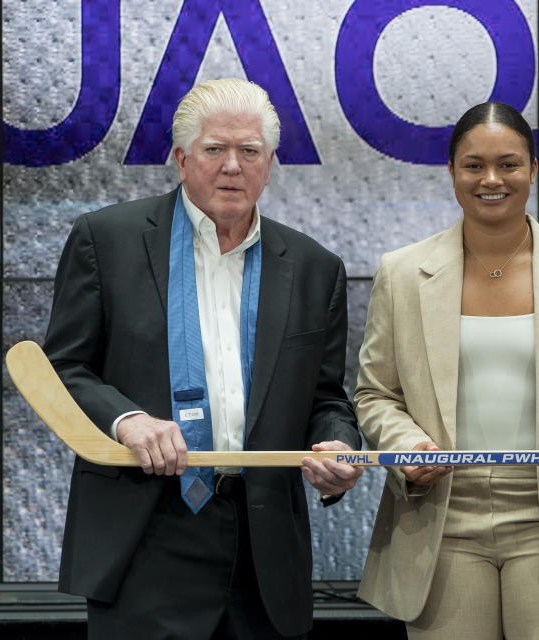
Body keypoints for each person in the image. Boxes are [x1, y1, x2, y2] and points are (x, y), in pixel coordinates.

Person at [43, 78, 363, 639]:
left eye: (250, 152)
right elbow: (64, 370)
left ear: (270, 163)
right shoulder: (106, 240)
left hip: (261, 544)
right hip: (145, 530)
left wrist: (339, 449)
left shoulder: (316, 268)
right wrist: (127, 420)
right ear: (181, 159)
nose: (233, 167)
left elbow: (327, 398)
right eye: (216, 150)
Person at [354, 102, 539, 639]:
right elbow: (375, 394)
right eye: (474, 165)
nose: (492, 179)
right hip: (440, 524)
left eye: (509, 163)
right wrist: (406, 445)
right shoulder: (402, 273)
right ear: (451, 171)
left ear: (533, 169)